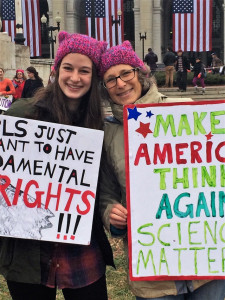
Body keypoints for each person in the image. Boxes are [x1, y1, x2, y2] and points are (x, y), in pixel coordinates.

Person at [98, 40, 225, 300]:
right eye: (110, 79)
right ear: (105, 89)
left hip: (207, 266)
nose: (120, 83)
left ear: (141, 74)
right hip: (154, 272)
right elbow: (106, 193)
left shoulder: (187, 113)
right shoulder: (109, 134)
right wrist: (110, 213)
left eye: (125, 73)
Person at [1, 31, 114, 300]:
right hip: (28, 249)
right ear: (56, 69)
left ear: (93, 76)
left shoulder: (98, 125)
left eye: (84, 71)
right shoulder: (21, 115)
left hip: (80, 245)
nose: (75, 77)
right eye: (68, 68)